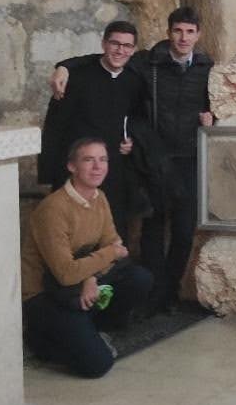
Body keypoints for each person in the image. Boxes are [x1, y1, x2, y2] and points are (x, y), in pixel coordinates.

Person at [53, 7, 215, 313]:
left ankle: (168, 293)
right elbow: (105, 60)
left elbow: (215, 103)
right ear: (169, 32)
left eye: (190, 32)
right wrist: (64, 66)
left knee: (182, 230)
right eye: (178, 30)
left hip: (189, 158)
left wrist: (212, 116)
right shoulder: (147, 61)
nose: (183, 37)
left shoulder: (206, 66)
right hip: (152, 157)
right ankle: (153, 296)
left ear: (198, 35)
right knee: (152, 230)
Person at [20, 138, 153, 378]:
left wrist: (90, 277)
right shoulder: (53, 209)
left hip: (78, 284)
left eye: (103, 160)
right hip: (47, 295)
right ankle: (45, 340)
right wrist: (105, 258)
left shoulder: (98, 198)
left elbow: (115, 245)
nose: (97, 167)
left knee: (139, 278)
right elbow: (66, 272)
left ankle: (94, 328)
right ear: (72, 166)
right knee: (97, 366)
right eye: (88, 160)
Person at [39, 21, 146, 242]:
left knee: (113, 233)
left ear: (133, 50)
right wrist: (51, 173)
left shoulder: (135, 81)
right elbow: (54, 127)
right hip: (76, 170)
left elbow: (137, 119)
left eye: (127, 46)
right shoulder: (76, 78)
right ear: (104, 44)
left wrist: (132, 141)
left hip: (114, 170)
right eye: (115, 43)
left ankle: (110, 277)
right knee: (72, 234)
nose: (120, 50)